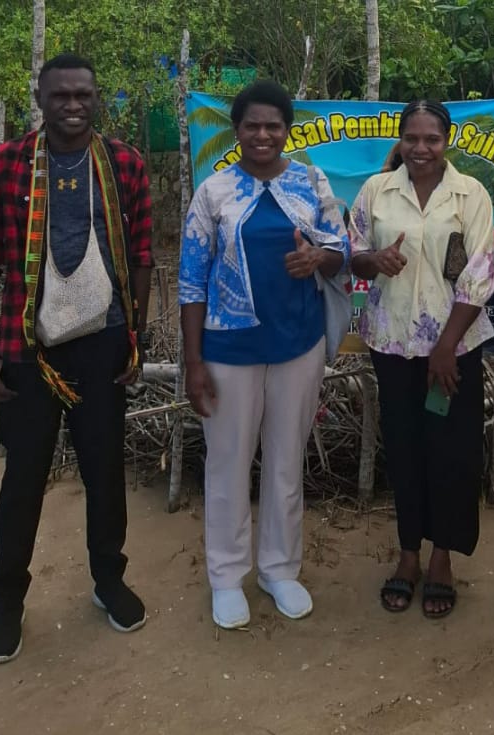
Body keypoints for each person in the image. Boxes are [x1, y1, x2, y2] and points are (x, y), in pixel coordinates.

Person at [0, 53, 152, 664]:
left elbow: (143, 257)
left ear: (97, 98)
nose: (73, 105)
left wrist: (136, 339)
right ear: (40, 99)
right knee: (23, 480)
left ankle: (108, 580)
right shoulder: (4, 166)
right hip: (27, 347)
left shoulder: (123, 164)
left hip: (103, 344)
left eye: (84, 95)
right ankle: (7, 605)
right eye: (61, 96)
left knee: (105, 472)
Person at [178, 80, 350, 629]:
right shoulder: (214, 192)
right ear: (237, 130)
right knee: (228, 461)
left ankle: (279, 569)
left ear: (287, 129)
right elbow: (191, 282)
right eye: (251, 125)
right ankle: (227, 577)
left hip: (299, 344)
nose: (262, 134)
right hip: (229, 349)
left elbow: (341, 247)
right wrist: (193, 360)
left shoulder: (311, 181)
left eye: (273, 125)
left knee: (284, 462)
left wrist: (317, 258)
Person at [349, 100, 494, 619]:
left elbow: (479, 272)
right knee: (406, 449)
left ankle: (442, 559)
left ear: (447, 140)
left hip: (452, 351)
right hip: (392, 346)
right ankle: (408, 554)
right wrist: (375, 260)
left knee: (452, 453)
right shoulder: (376, 190)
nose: (421, 148)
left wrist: (444, 348)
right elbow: (354, 252)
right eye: (412, 138)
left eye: (431, 138)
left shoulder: (470, 194)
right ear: (402, 140)